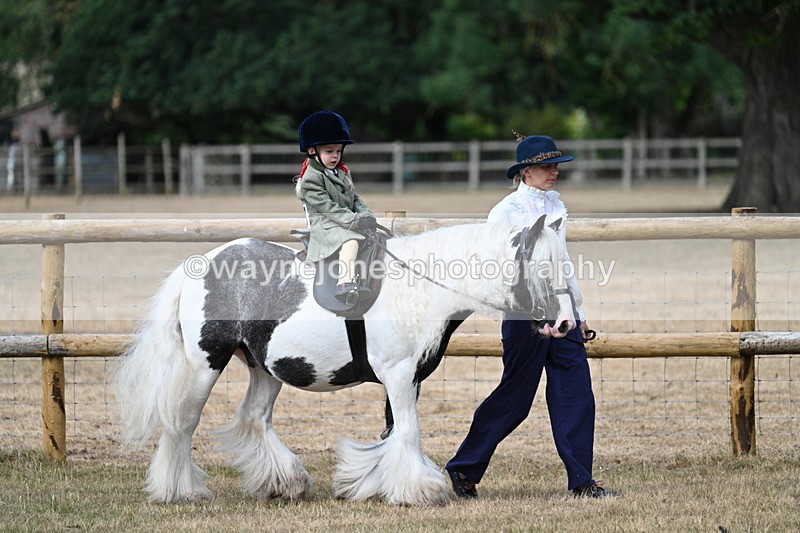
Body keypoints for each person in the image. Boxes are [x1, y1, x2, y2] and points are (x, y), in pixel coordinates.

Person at [444, 133, 615, 499]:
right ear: (525, 172)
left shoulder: (556, 204)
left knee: (577, 394)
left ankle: (582, 482)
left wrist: (578, 312)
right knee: (515, 400)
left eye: (556, 165)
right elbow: (497, 270)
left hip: (562, 310)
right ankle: (463, 469)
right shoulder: (504, 213)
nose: (554, 172)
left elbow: (562, 263)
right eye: (546, 166)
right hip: (525, 315)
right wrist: (536, 318)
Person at [295, 110, 377, 300]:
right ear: (312, 150)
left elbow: (354, 199)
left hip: (343, 221)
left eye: (338, 151)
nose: (335, 156)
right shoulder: (311, 179)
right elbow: (328, 209)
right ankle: (345, 284)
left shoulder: (341, 172)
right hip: (325, 225)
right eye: (329, 151)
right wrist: (356, 221)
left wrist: (367, 215)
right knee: (350, 241)